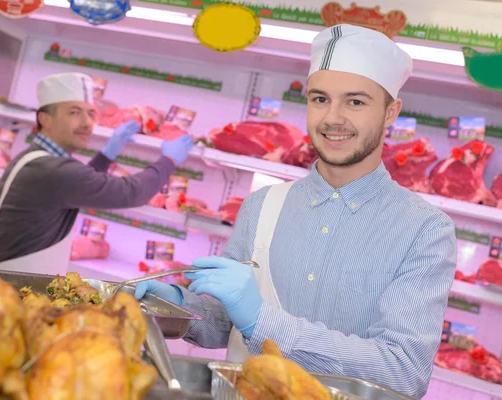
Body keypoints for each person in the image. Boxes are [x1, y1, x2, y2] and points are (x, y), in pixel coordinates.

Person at [135, 24, 457, 399]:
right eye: (320, 99)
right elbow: (224, 323)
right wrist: (176, 306)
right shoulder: (262, 205)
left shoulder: (424, 230)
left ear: (390, 113)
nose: (332, 118)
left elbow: (403, 372)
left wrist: (263, 321)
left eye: (355, 102)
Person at [0, 72, 194, 273]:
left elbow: (76, 184)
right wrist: (168, 161)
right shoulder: (53, 170)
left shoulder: (35, 158)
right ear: (45, 119)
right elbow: (131, 192)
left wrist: (107, 155)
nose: (86, 123)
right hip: (13, 287)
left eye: (91, 114)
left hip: (12, 276)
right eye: (74, 112)